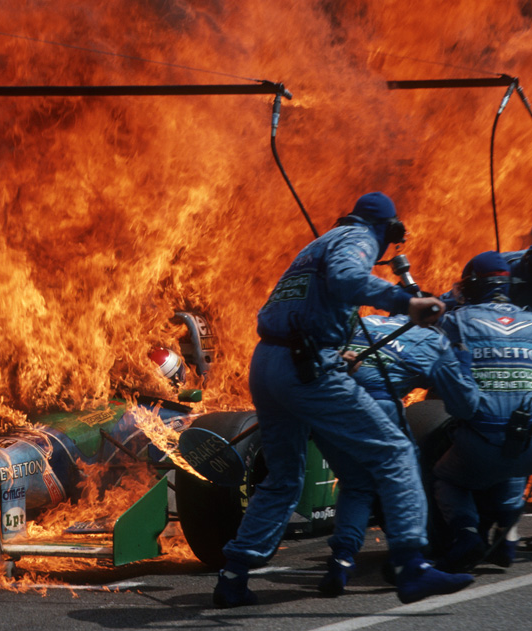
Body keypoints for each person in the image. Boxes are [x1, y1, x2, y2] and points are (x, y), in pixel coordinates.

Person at [213, 192, 474, 608]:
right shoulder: (358, 240)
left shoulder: (313, 248)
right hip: (305, 367)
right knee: (395, 452)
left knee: (283, 479)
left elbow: (308, 305)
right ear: (387, 230)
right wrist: (407, 302)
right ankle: (412, 567)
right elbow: (348, 280)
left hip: (269, 362)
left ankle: (233, 576)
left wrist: (336, 350)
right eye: (393, 237)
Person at [313, 313, 482, 596]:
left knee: (357, 485)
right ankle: (410, 561)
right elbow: (465, 405)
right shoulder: (430, 339)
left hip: (323, 407)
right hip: (374, 409)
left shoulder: (366, 321)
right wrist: (462, 365)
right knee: (407, 476)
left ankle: (340, 562)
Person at [433, 251, 532, 572]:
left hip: (480, 445)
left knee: (447, 477)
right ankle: (508, 533)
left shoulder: (455, 321)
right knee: (513, 457)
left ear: (474, 285)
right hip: (527, 445)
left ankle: (466, 535)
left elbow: (456, 396)